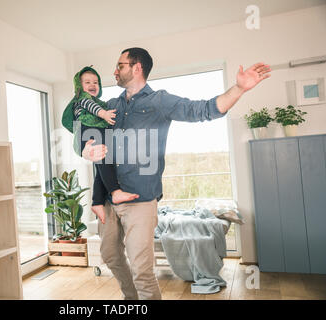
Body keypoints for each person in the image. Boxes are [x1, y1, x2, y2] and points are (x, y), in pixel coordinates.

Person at [81, 47, 271, 300]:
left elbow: (202, 110)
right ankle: (131, 299)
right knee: (110, 256)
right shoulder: (111, 105)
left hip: (140, 198)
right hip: (109, 198)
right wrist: (85, 150)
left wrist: (239, 89)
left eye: (121, 65)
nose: (115, 71)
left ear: (137, 68)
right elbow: (87, 137)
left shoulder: (159, 101)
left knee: (141, 269)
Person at [61, 66, 139, 223]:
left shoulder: (100, 102)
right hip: (87, 132)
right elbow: (92, 107)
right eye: (87, 82)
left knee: (103, 165)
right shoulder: (81, 99)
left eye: (96, 82)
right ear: (79, 87)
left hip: (95, 133)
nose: (92, 85)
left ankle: (97, 202)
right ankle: (115, 191)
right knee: (104, 161)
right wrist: (104, 114)